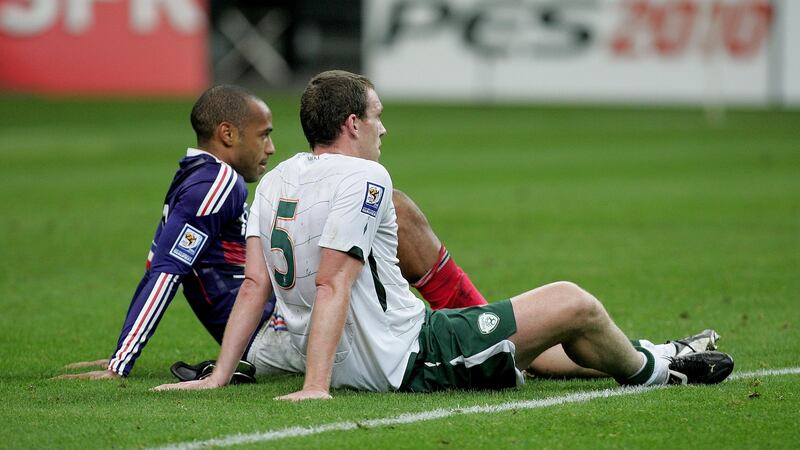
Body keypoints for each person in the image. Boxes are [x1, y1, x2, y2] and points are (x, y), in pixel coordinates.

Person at [153, 70, 733, 398]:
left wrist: (221, 377)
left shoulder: (276, 178)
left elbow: (255, 285)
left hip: (325, 349)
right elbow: (333, 284)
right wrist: (317, 389)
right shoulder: (365, 176)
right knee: (573, 302)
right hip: (412, 355)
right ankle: (657, 370)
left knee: (537, 333)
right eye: (377, 116)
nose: (384, 127)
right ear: (353, 123)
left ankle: (662, 355)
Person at [55, 84, 486, 381]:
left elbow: (160, 267)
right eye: (263, 136)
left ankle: (481, 328)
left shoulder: (190, 178)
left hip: (268, 326)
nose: (272, 148)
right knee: (395, 209)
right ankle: (482, 327)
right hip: (274, 330)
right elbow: (167, 273)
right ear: (227, 134)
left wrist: (122, 354)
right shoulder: (220, 182)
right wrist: (121, 362)